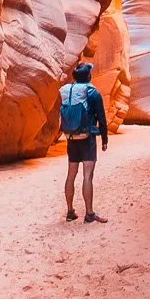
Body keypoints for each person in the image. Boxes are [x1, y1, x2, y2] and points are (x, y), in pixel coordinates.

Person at [58, 62, 110, 223]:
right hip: (87, 139)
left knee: (71, 175)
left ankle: (70, 211)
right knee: (88, 176)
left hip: (71, 138)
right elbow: (101, 118)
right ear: (88, 76)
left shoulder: (67, 91)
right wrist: (104, 139)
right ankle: (89, 213)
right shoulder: (92, 93)